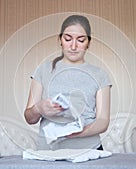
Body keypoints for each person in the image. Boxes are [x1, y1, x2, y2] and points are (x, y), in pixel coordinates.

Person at [24, 15, 112, 150]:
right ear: (60, 40)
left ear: (88, 42)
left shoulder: (100, 75)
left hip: (89, 150)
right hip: (49, 151)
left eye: (81, 40)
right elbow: (30, 118)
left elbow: (103, 121)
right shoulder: (43, 70)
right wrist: (39, 108)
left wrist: (77, 133)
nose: (73, 46)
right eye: (68, 39)